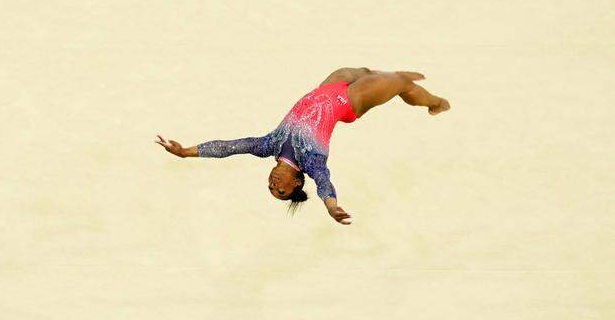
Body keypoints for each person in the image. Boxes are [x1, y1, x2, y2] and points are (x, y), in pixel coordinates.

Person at [156, 67, 449, 225]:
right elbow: (325, 184)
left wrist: (186, 152)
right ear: (297, 182)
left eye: (271, 189)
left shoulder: (268, 145)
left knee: (363, 70)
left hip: (326, 89)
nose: (274, 185)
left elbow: (230, 146)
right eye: (281, 191)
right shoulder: (312, 162)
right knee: (400, 81)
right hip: (349, 102)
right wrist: (331, 208)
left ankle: (390, 80)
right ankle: (435, 103)